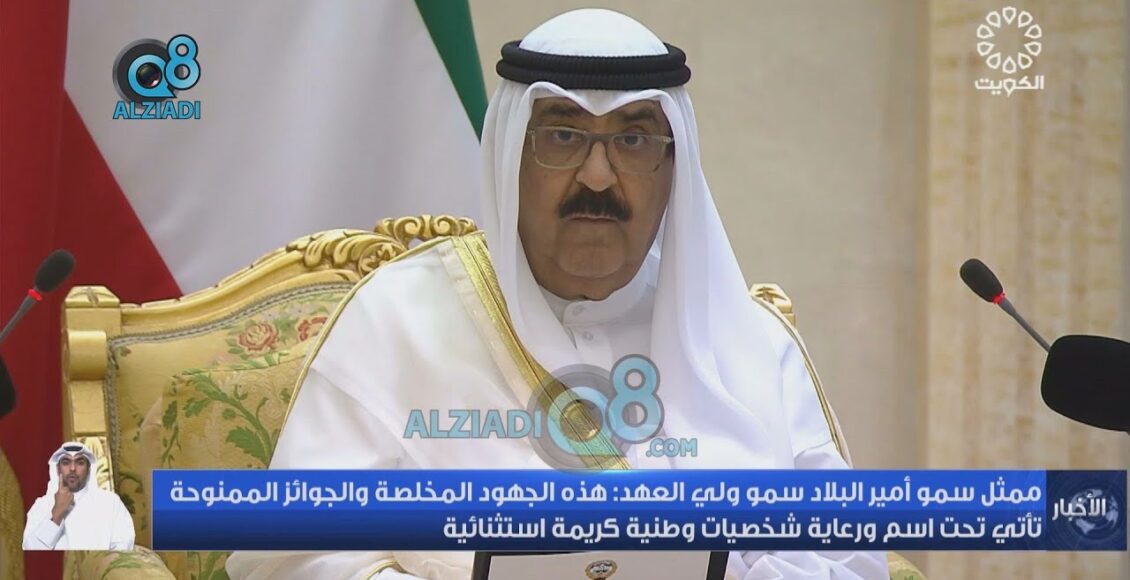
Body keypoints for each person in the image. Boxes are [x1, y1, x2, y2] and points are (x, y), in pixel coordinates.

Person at [228, 8, 887, 579]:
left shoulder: (751, 342)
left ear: (672, 167)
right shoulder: (395, 322)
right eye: (563, 136)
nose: (597, 176)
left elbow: (851, 557)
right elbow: (291, 554)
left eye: (633, 139)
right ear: (510, 156)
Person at [22, 441, 135, 551]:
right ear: (57, 469)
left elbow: (123, 548)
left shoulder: (110, 503)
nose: (72, 468)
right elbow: (30, 551)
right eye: (66, 462)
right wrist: (57, 513)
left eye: (80, 463)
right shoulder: (41, 505)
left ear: (89, 469)